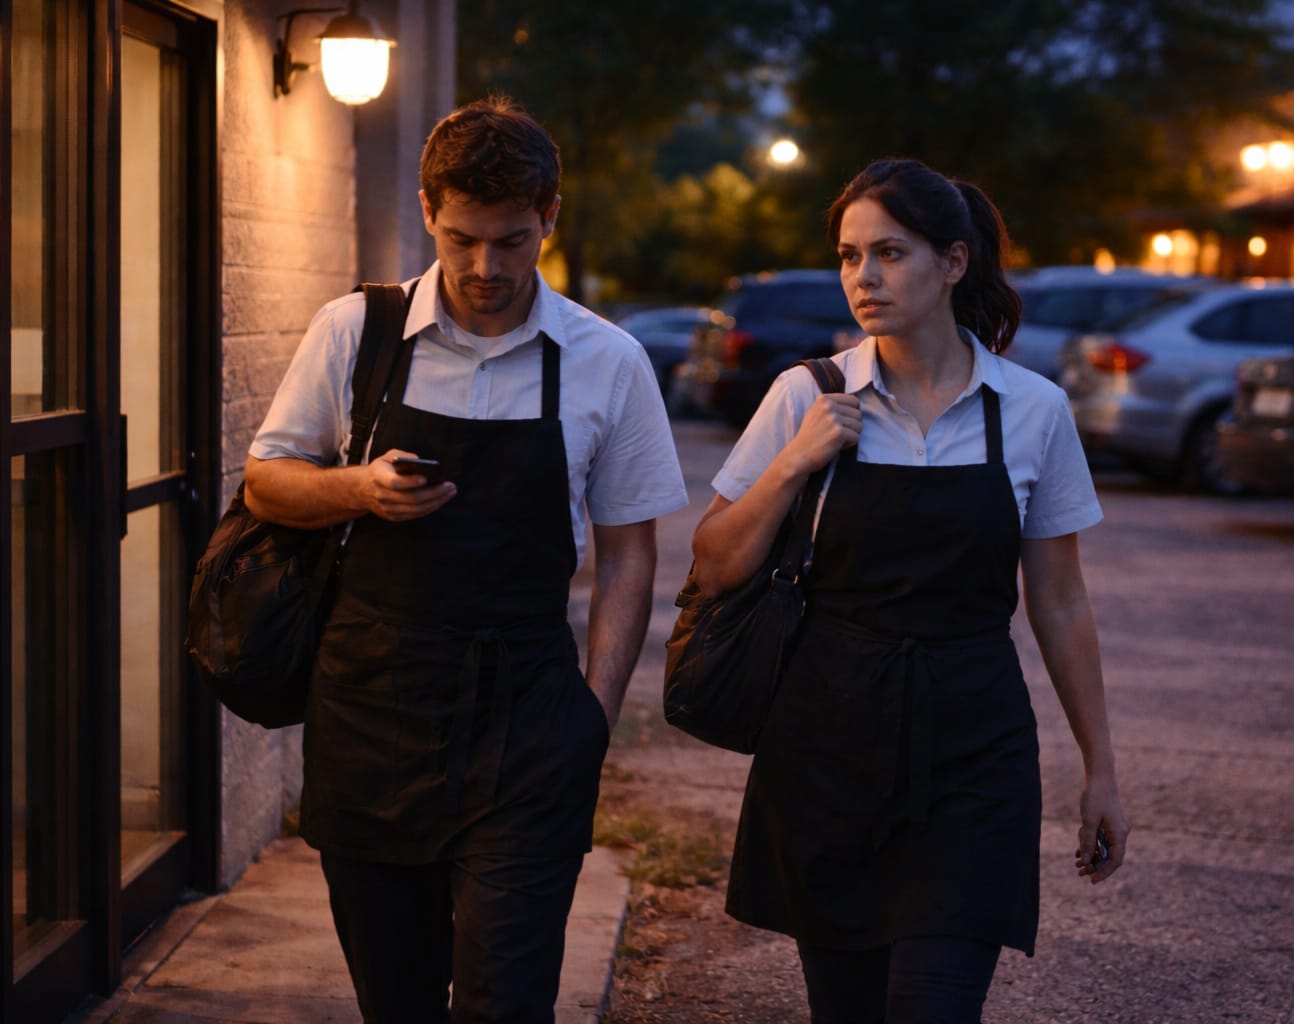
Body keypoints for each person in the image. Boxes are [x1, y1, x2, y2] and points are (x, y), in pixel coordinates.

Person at [243, 98, 687, 1024]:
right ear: (426, 210)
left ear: (550, 218)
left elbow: (629, 556)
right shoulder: (354, 333)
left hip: (528, 716)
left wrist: (591, 719)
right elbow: (266, 483)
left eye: (513, 241)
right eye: (462, 239)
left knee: (507, 999)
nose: (486, 267)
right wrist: (357, 490)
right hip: (372, 707)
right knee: (395, 998)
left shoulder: (609, 361)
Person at [690, 158, 1130, 1022]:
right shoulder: (805, 396)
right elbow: (713, 564)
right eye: (850, 256)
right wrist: (795, 461)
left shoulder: (1031, 411)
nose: (864, 277)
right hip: (826, 748)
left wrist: (1101, 769)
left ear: (954, 263)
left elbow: (1061, 601)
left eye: (889, 253)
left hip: (975, 750)